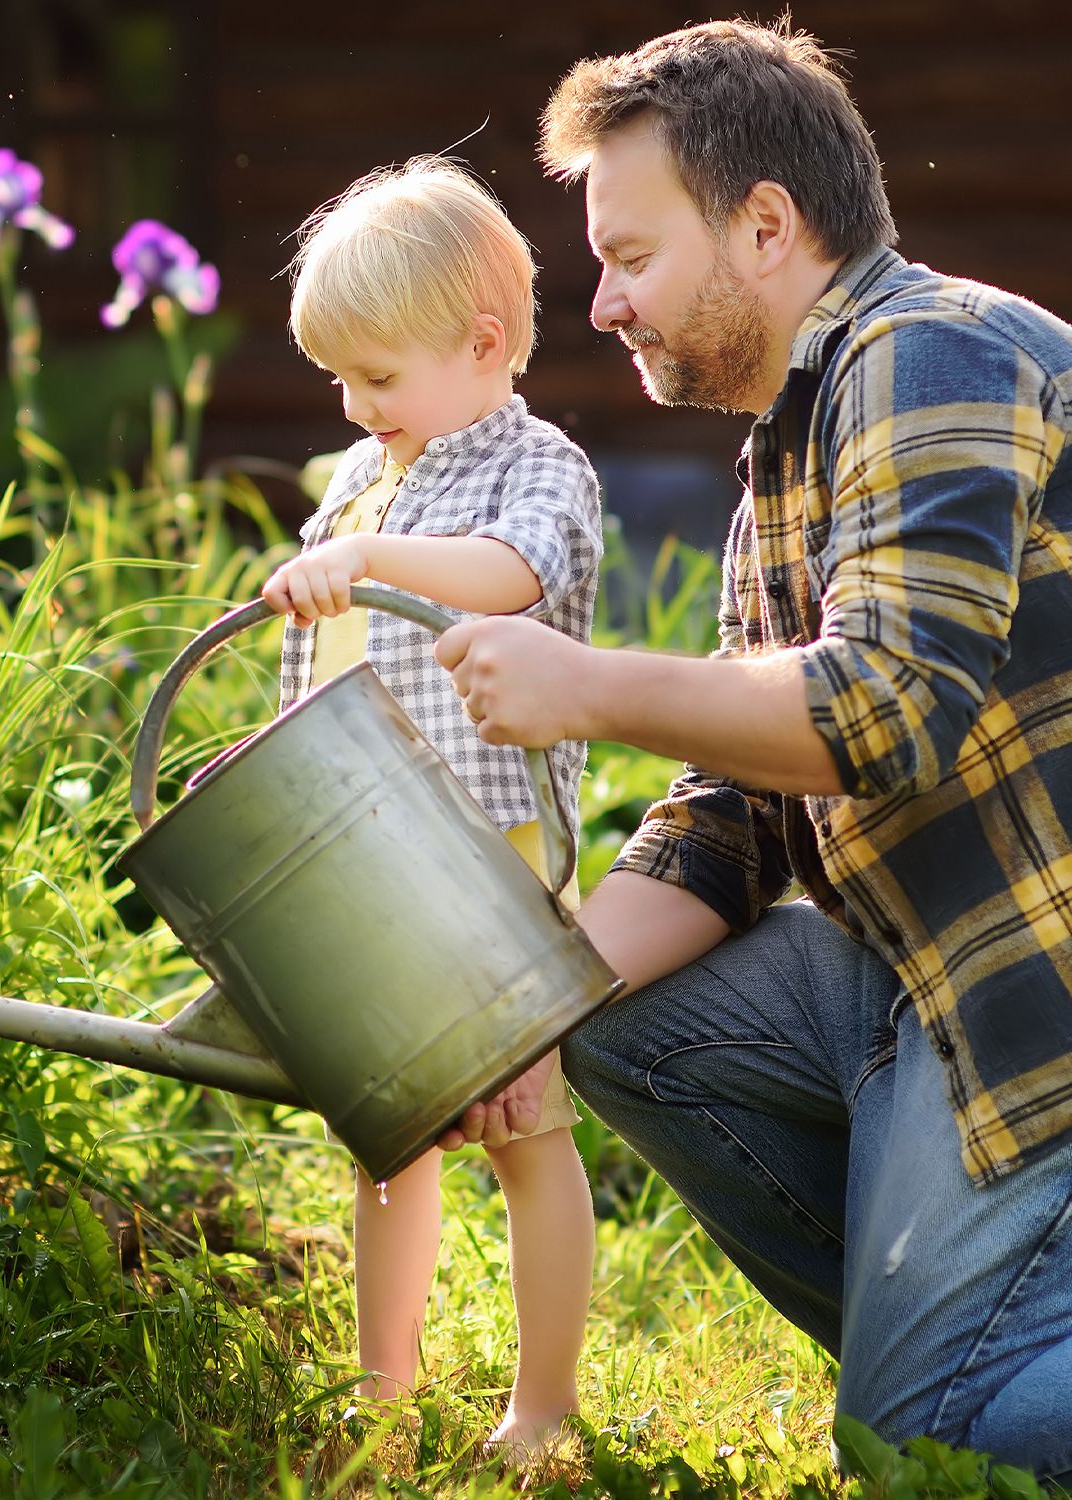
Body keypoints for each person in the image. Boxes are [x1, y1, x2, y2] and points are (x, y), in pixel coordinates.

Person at [434, 18, 1072, 1483]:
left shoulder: (932, 352)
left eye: (632, 257)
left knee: (926, 1458)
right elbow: (738, 813)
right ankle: (977, 1327)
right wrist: (516, 1011)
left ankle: (963, 1368)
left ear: (766, 225)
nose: (601, 305)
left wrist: (587, 687)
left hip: (1037, 993)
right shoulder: (781, 464)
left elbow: (888, 707)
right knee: (616, 1020)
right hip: (933, 980)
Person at [260, 155, 604, 1454]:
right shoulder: (362, 481)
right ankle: (385, 1395)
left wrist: (360, 558)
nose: (357, 406)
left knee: (526, 1133)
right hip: (370, 868)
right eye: (339, 381)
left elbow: (511, 580)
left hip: (493, 866)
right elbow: (331, 665)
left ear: (482, 342)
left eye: (379, 378)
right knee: (388, 1142)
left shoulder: (541, 469)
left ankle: (544, 1409)